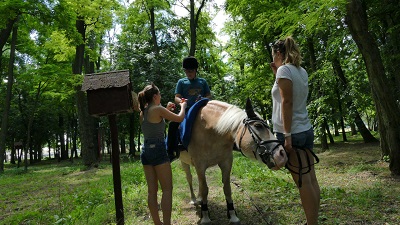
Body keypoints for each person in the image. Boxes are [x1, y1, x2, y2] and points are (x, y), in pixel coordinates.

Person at [270, 36, 321, 225]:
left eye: (274, 54)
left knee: (302, 182)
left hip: (293, 133)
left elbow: (287, 102)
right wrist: (277, 73)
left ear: (278, 53)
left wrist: (287, 135)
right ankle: (312, 221)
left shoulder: (284, 70)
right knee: (311, 179)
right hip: (305, 129)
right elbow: (288, 94)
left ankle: (312, 223)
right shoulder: (301, 71)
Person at [138, 83, 187, 225]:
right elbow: (179, 118)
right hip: (158, 149)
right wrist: (182, 106)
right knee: (167, 189)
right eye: (159, 95)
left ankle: (157, 223)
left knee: (152, 191)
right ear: (155, 96)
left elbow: (155, 123)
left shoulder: (144, 112)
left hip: (146, 150)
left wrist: (165, 110)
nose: (160, 97)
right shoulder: (157, 109)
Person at [167, 56, 211, 159]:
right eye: (186, 71)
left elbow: (209, 95)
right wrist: (182, 101)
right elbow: (176, 97)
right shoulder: (181, 82)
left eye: (190, 71)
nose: (188, 73)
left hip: (202, 109)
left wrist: (203, 98)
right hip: (186, 110)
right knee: (173, 124)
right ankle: (170, 150)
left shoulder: (202, 82)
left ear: (195, 70)